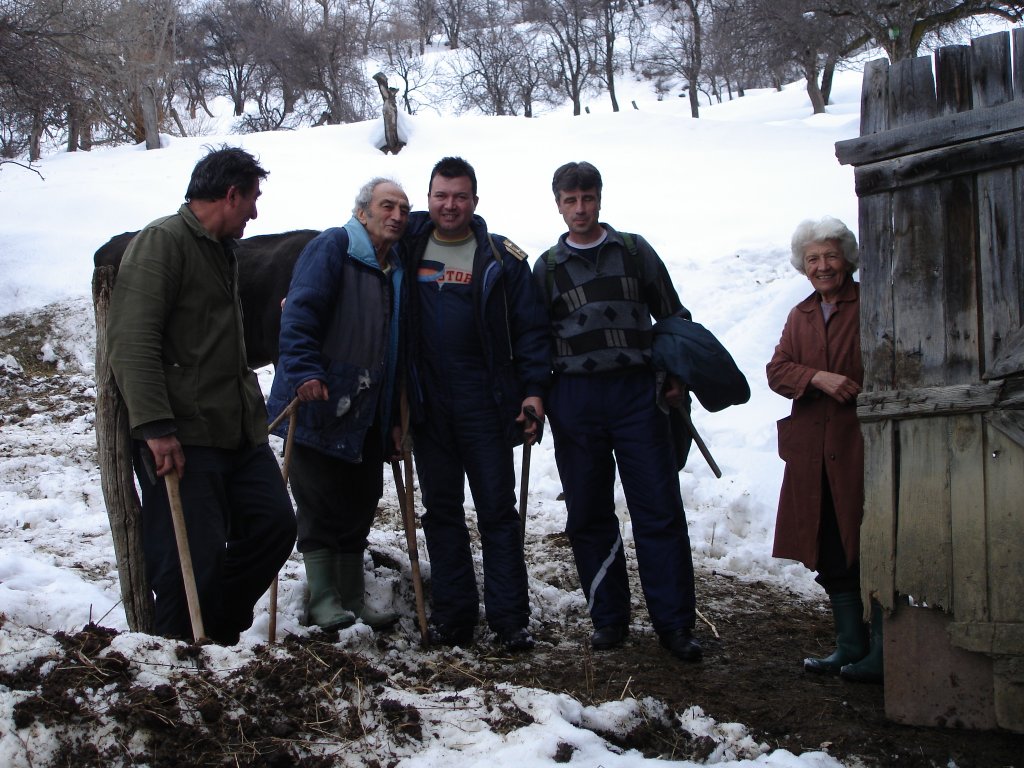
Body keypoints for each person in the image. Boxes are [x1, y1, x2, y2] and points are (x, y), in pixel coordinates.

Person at [107, 146, 297, 645]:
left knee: (275, 526)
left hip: (237, 432)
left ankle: (211, 628)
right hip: (184, 435)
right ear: (230, 194)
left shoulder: (222, 252)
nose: (255, 213)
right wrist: (155, 428)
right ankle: (173, 664)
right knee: (187, 555)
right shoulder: (162, 243)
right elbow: (131, 342)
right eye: (251, 200)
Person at [536, 161, 702, 662]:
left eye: (587, 198)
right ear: (558, 204)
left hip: (637, 395)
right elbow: (535, 338)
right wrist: (536, 397)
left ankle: (675, 626)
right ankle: (609, 619)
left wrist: (676, 375)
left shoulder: (634, 251)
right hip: (575, 400)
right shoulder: (545, 268)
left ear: (600, 198)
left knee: (659, 510)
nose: (580, 209)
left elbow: (673, 316)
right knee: (587, 513)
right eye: (570, 200)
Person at [402, 156, 550, 652]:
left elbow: (531, 330)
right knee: (441, 513)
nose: (450, 205)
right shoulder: (406, 247)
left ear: (475, 201)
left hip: (485, 405)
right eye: (441, 195)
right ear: (428, 199)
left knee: (497, 513)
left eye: (460, 196)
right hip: (430, 407)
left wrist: (533, 391)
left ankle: (510, 621)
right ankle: (455, 617)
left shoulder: (501, 257)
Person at [267, 178, 410, 633]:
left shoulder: (395, 268)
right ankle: (324, 597)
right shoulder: (333, 247)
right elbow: (300, 312)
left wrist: (392, 416)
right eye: (387, 206)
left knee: (361, 500)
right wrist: (306, 371)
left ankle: (351, 595)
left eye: (404, 210)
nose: (397, 216)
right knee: (319, 498)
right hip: (322, 401)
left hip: (368, 410)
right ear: (362, 212)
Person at [766, 216, 881, 684]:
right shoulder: (802, 314)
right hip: (813, 451)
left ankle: (883, 649)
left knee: (869, 543)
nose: (822, 266)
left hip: (858, 446)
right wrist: (816, 378)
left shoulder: (871, 304)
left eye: (830, 255)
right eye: (813, 258)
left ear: (847, 258)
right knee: (830, 542)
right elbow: (777, 371)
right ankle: (850, 645)